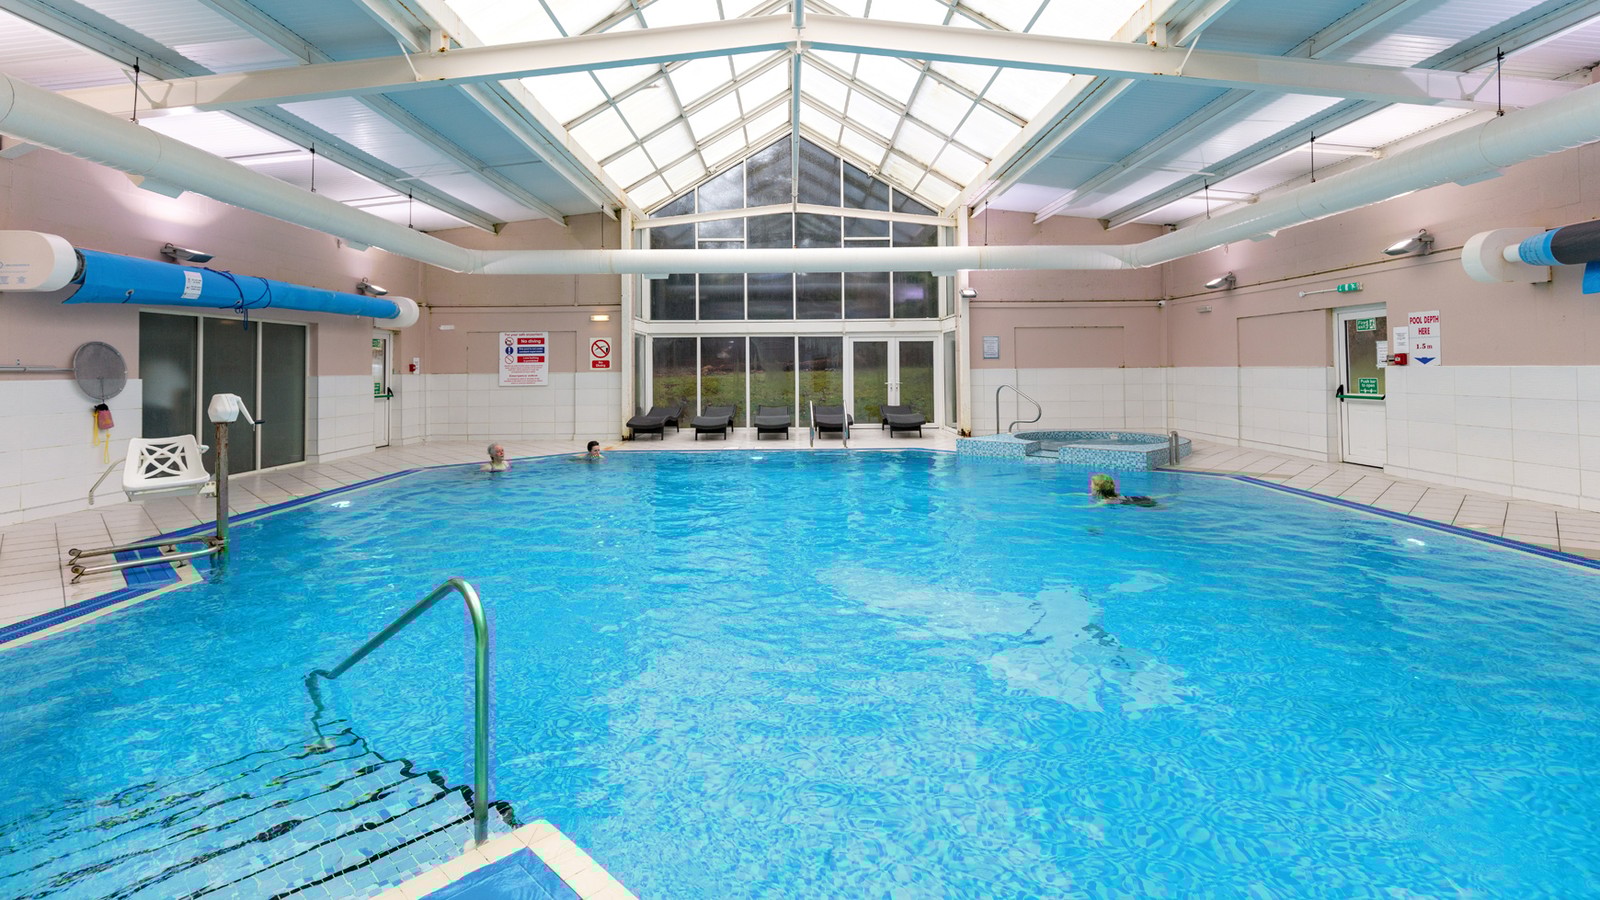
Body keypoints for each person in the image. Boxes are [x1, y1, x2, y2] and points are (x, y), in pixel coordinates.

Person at [1090, 473, 1156, 507]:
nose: (1090, 485)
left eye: (1092, 484)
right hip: (1135, 498)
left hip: (1142, 504)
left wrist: (1079, 507)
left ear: (1097, 488)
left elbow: (1090, 507)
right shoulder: (1114, 494)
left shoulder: (1106, 501)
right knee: (1150, 498)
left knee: (1159, 507)